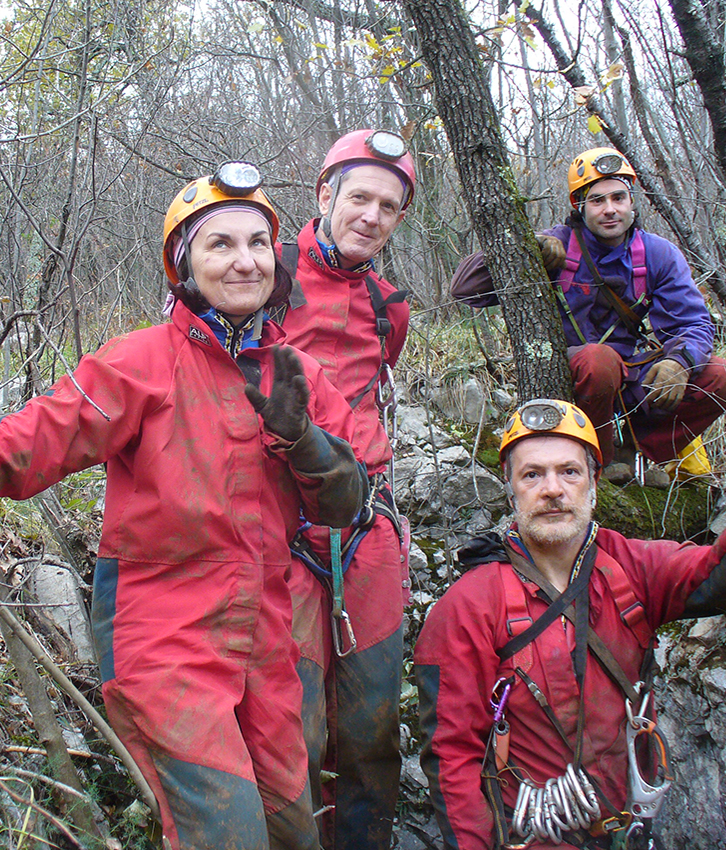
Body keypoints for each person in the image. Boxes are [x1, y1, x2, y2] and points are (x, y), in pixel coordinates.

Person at [0, 164, 370, 850]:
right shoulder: (139, 364)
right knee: (224, 833)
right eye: (220, 245)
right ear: (184, 262)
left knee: (293, 831)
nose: (244, 260)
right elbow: (35, 443)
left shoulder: (300, 375)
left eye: (257, 243)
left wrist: (303, 440)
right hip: (163, 637)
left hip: (268, 636)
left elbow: (345, 507)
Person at [414, 398, 726, 850]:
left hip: (631, 828)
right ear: (511, 490)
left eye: (569, 471)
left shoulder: (632, 568)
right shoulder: (467, 608)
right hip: (531, 837)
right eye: (532, 474)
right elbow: (451, 756)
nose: (552, 489)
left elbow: (721, 575)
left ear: (593, 482)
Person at [271, 128, 414, 849]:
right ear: (324, 194)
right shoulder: (259, 272)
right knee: (292, 725)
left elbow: (371, 390)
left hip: (367, 529)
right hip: (283, 526)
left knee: (372, 723)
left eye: (389, 207)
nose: (372, 216)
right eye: (359, 197)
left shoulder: (389, 305)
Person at [450, 147, 726, 482]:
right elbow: (464, 289)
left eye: (619, 197)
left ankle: (637, 457)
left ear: (632, 201)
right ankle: (593, 466)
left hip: (628, 376)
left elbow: (693, 323)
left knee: (722, 375)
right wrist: (527, 248)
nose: (610, 210)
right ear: (579, 206)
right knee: (597, 361)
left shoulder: (657, 254)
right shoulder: (555, 244)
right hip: (571, 374)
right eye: (597, 200)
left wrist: (680, 362)